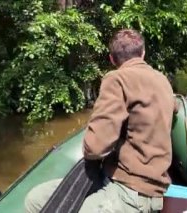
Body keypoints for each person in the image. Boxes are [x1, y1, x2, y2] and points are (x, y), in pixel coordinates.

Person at [25, 29, 177, 213]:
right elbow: (173, 107)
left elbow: (95, 148)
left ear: (112, 59)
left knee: (34, 202)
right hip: (139, 187)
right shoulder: (162, 80)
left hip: (129, 192)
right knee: (36, 198)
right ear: (143, 53)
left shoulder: (116, 79)